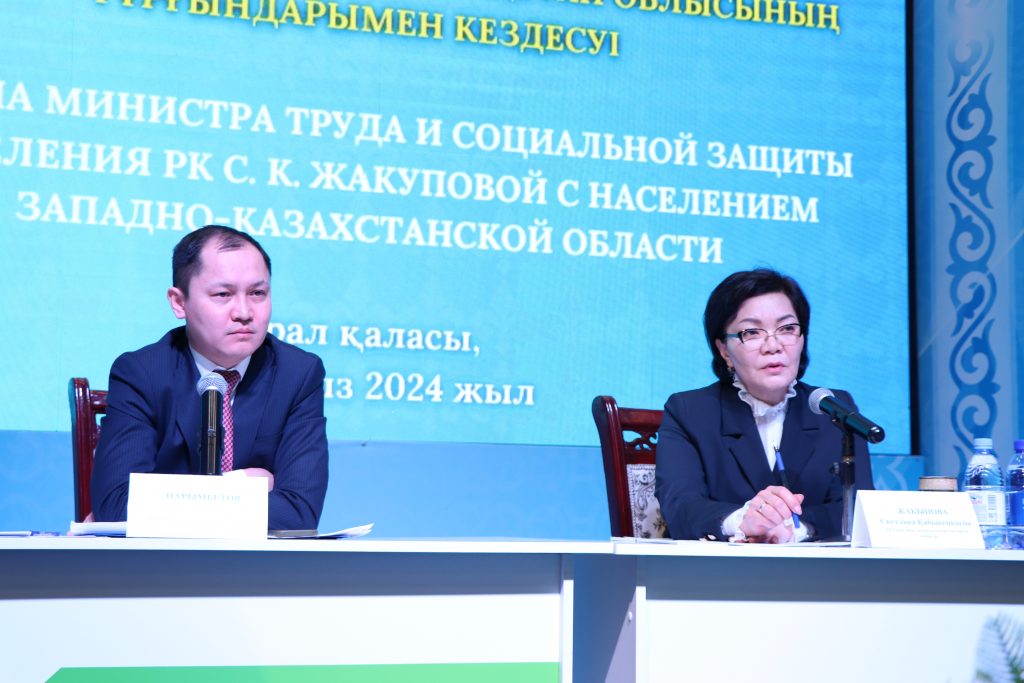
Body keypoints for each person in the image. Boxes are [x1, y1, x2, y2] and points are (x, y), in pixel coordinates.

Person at [91, 225, 329, 530]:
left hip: (257, 561)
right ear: (179, 302)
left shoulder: (298, 374)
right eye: (223, 294)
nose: (244, 312)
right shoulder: (142, 374)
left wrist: (169, 505)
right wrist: (239, 485)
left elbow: (299, 514)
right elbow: (117, 507)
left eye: (257, 293)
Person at [654, 268, 873, 542]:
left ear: (802, 339)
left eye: (787, 329)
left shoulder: (834, 410)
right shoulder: (689, 412)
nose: (773, 346)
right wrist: (743, 521)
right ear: (724, 350)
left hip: (814, 568)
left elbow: (857, 509)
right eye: (752, 332)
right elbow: (680, 507)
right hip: (716, 568)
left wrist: (796, 529)